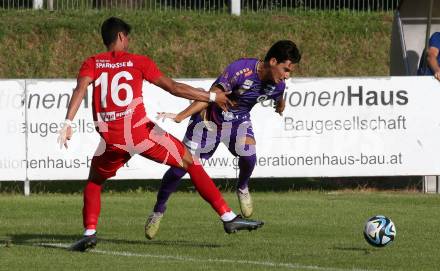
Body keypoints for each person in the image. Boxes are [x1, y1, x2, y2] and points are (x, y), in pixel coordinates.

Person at [57, 17, 263, 252]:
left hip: (111, 141)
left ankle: (89, 232)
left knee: (94, 181)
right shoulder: (138, 62)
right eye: (128, 38)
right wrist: (213, 97)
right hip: (140, 133)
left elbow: (80, 89)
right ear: (122, 37)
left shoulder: (92, 62)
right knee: (190, 160)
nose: (128, 42)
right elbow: (174, 88)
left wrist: (67, 122)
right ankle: (228, 218)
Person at [144, 40, 301, 239]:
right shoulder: (240, 70)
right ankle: (158, 211)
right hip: (209, 121)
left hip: (238, 122)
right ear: (272, 61)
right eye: (286, 69)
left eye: (290, 72)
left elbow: (279, 97)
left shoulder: (277, 84)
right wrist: (181, 116)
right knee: (178, 169)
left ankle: (242, 187)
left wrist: (280, 105)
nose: (287, 75)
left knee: (249, 156)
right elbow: (209, 96)